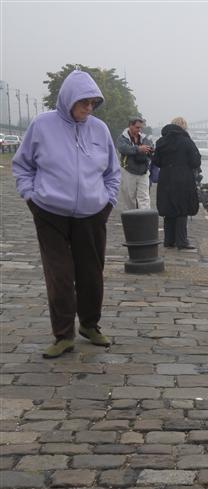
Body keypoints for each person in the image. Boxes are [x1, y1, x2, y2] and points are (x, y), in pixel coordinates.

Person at [12, 70, 121, 358]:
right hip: (50, 212)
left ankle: (89, 325)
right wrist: (31, 197)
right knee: (59, 275)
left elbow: (112, 171)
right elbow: (22, 165)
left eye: (93, 104)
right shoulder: (41, 125)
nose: (88, 109)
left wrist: (107, 202)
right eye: (83, 103)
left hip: (92, 213)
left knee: (91, 275)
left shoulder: (100, 129)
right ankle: (63, 335)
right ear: (68, 99)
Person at [152, 117, 201, 250]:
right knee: (182, 209)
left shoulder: (161, 142)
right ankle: (182, 241)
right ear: (184, 127)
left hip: (166, 178)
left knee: (168, 208)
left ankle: (169, 240)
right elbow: (196, 162)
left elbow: (156, 161)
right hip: (183, 178)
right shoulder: (187, 141)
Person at [116, 116, 153, 210]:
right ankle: (132, 217)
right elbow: (123, 149)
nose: (139, 129)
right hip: (128, 170)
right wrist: (139, 149)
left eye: (141, 127)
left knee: (144, 197)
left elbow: (150, 148)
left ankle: (145, 218)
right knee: (129, 197)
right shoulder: (122, 138)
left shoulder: (144, 138)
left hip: (143, 170)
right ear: (130, 126)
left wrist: (149, 150)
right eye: (137, 127)